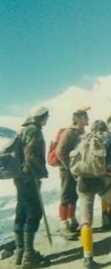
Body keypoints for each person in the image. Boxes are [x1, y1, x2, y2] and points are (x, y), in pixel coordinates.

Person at [77, 120, 111, 269]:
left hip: (83, 183)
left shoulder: (83, 139)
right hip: (102, 182)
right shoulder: (110, 139)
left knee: (86, 220)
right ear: (105, 128)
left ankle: (88, 258)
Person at [13, 106, 50, 269]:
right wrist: (38, 172)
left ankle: (20, 252)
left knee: (22, 210)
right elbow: (30, 154)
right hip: (30, 178)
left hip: (20, 177)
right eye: (46, 116)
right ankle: (28, 257)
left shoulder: (24, 130)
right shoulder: (34, 130)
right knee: (34, 213)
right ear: (42, 117)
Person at [55, 108, 89, 239]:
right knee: (66, 195)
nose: (87, 120)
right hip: (67, 170)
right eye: (85, 117)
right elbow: (60, 151)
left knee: (74, 194)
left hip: (75, 169)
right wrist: (69, 167)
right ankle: (64, 224)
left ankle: (72, 220)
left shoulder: (80, 132)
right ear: (79, 119)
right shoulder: (69, 133)